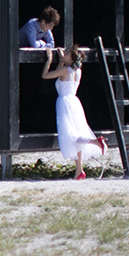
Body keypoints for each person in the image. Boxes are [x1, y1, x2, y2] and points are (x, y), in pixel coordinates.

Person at [42, 46, 107, 179]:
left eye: (66, 54)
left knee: (71, 136)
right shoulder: (77, 71)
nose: (64, 54)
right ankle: (79, 170)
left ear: (71, 59)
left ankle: (95, 142)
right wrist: (62, 60)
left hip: (64, 103)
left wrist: (49, 59)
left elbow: (46, 75)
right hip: (74, 102)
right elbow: (60, 71)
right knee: (75, 135)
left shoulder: (65, 70)